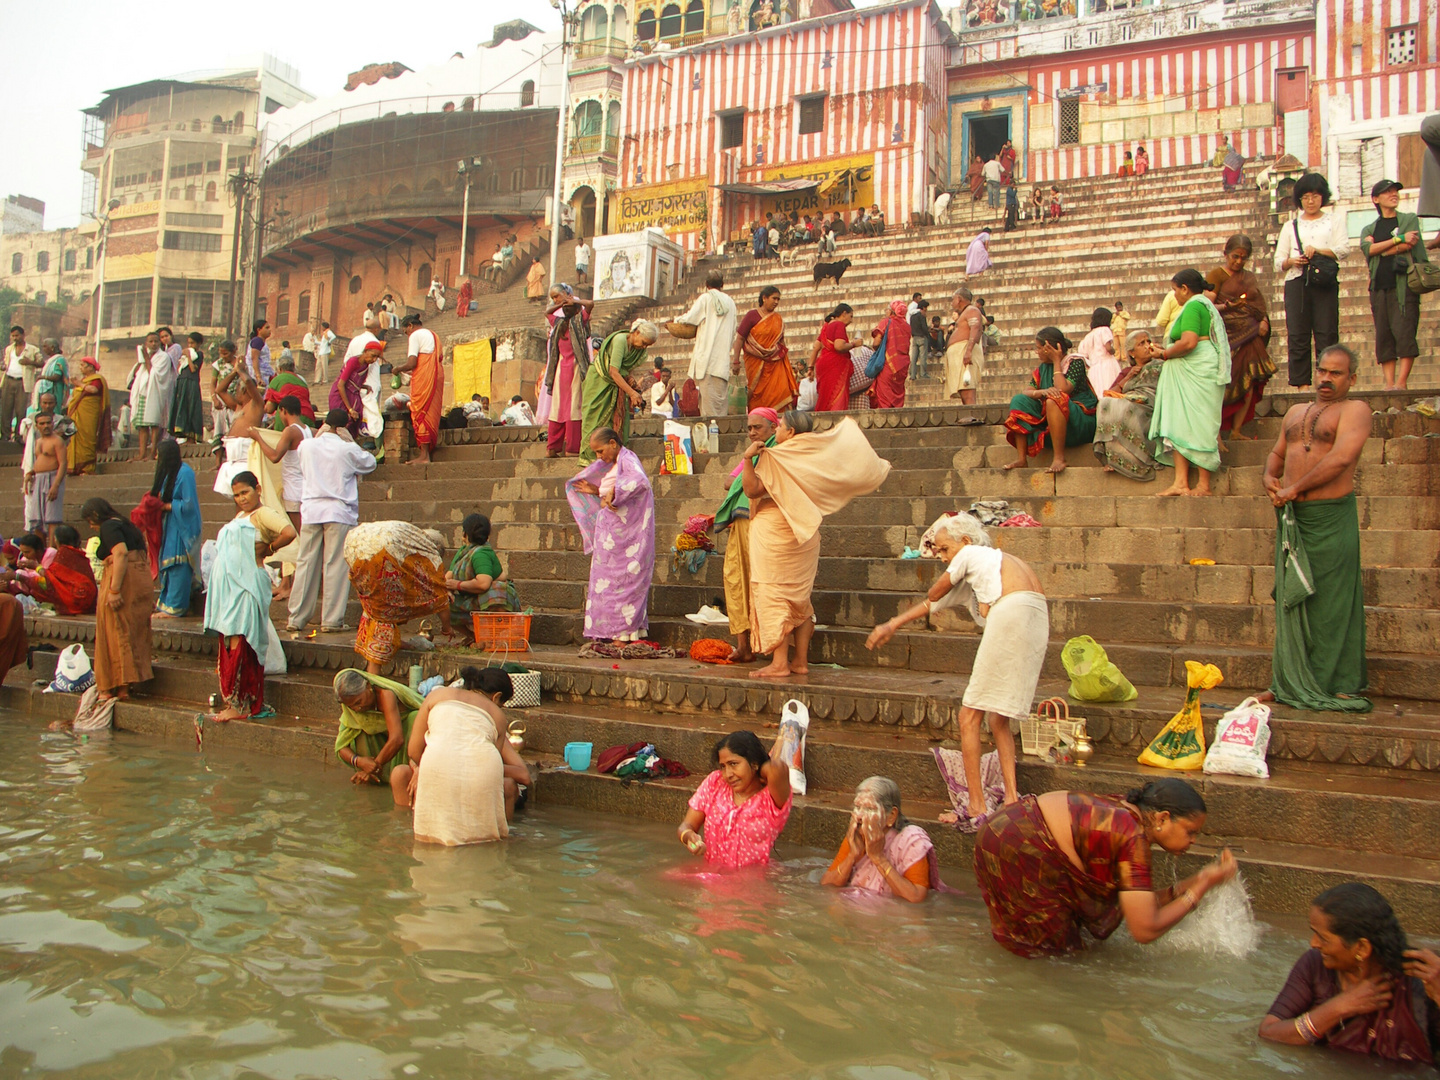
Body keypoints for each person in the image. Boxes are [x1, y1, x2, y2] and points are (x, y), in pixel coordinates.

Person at [867, 511, 1046, 821]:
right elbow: (932, 606)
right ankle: (1013, 798)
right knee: (998, 719)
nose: (941, 557)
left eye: (944, 549)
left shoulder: (973, 553)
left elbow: (934, 592)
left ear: (964, 541)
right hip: (1037, 617)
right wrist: (892, 624)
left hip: (1012, 613)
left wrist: (947, 571)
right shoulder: (998, 564)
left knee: (968, 716)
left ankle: (976, 804)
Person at [974, 778, 1237, 958]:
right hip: (1021, 844)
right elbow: (1144, 929)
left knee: (1046, 944)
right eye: (1190, 832)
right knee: (1055, 960)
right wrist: (1200, 889)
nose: (1192, 841)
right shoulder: (1133, 837)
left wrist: (1191, 884)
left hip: (1003, 830)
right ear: (1162, 818)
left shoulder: (1126, 816)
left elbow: (1135, 904)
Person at [1260, 344, 1373, 713]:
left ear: (1351, 378)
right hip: (1295, 521)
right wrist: (1269, 477)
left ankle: (1338, 682)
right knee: (1294, 601)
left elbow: (1342, 458)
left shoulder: (1356, 410)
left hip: (1331, 518)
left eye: (1336, 373)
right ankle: (1288, 681)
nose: (1326, 378)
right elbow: (1278, 454)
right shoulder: (1295, 411)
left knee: (1332, 602)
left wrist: (1295, 488)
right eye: (1322, 370)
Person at [741, 412, 890, 678]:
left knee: (775, 593)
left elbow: (752, 490)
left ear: (791, 433)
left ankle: (779, 663)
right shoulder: (816, 455)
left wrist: (747, 458)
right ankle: (800, 661)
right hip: (805, 535)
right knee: (800, 599)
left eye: (781, 428)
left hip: (776, 532)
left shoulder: (779, 456)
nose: (776, 432)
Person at [1260, 882, 1440, 1062]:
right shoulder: (1314, 966)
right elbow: (1268, 1032)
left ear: (1361, 948)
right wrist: (1340, 1007)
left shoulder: (1424, 978)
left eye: (1323, 937)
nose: (1314, 943)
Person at [204, 471, 294, 721]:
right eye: (236, 495)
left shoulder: (263, 514)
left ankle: (242, 705)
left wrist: (270, 548)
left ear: (258, 489)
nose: (241, 499)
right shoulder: (240, 516)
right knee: (229, 640)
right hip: (230, 587)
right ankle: (233, 701)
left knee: (241, 642)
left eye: (245, 492)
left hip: (248, 585)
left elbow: (289, 532)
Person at [406, 667, 532, 843]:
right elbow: (492, 759)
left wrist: (427, 769)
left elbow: (413, 751)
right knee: (483, 841)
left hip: (435, 764)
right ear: (496, 697)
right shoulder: (497, 714)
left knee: (432, 839)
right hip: (482, 770)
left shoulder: (437, 695)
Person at [287, 409, 378, 634]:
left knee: (306, 563)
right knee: (335, 565)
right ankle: (331, 620)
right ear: (343, 428)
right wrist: (350, 442)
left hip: (311, 511)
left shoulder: (306, 446)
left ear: (325, 425)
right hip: (338, 511)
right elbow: (370, 463)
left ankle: (297, 617)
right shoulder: (346, 449)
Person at [566, 427, 655, 642]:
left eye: (600, 451)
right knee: (609, 585)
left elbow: (640, 482)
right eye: (596, 453)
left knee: (624, 584)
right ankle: (616, 632)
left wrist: (614, 492)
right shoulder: (615, 465)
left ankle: (623, 635)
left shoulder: (628, 459)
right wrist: (598, 491)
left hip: (626, 538)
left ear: (613, 443)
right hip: (611, 537)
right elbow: (611, 492)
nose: (599, 456)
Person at [1150, 268, 1230, 498]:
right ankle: (1180, 482)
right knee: (1181, 424)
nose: (1174, 295)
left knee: (1200, 423)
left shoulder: (1194, 305)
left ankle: (1203, 485)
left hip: (1197, 370)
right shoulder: (1201, 305)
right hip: (1190, 371)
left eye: (1175, 290)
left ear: (1184, 289)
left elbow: (1188, 343)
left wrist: (1163, 354)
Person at [714, 408, 779, 663]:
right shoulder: (751, 453)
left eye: (758, 428)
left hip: (764, 524)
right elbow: (729, 483)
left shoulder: (777, 451)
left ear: (774, 428)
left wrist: (748, 476)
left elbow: (754, 486)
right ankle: (743, 646)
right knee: (735, 580)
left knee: (764, 584)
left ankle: (773, 646)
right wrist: (748, 470)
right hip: (741, 524)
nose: (752, 432)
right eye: (749, 427)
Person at [344, 521, 455, 671]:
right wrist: (447, 628)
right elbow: (441, 600)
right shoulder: (429, 553)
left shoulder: (411, 540)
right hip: (382, 550)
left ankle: (375, 667)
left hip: (354, 542)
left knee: (375, 606)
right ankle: (374, 678)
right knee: (383, 611)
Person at [1274, 172, 1349, 391]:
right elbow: (1278, 262)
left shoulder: (1333, 220)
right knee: (1298, 334)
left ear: (1322, 197)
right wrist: (1293, 260)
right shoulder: (1291, 226)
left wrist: (1318, 251)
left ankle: (1328, 381)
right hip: (1297, 281)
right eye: (1306, 196)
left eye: (1315, 196)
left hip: (1323, 281)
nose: (1311, 201)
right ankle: (1302, 386)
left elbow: (1343, 249)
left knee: (1327, 333)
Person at [677, 730, 792, 869]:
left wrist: (759, 769)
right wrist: (689, 837)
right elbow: (686, 826)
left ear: (754, 763)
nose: (728, 774)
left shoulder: (771, 798)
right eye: (723, 766)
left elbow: (778, 768)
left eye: (734, 764)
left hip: (751, 883)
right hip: (711, 876)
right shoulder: (715, 782)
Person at [821, 777, 942, 901]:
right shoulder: (857, 834)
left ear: (891, 816)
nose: (860, 816)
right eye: (857, 807)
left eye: (869, 809)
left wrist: (879, 859)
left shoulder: (912, 841)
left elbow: (916, 897)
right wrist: (852, 856)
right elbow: (827, 885)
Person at [82, 498, 154, 702]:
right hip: (140, 577)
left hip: (123, 580)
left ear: (95, 515)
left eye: (90, 521)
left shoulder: (108, 525)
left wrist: (114, 590)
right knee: (133, 631)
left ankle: (111, 687)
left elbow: (120, 553)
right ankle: (124, 687)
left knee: (114, 631)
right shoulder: (127, 525)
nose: (91, 526)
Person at [1360, 179, 1428, 391]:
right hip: (1379, 286)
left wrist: (1380, 248)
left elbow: (1411, 243)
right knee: (1384, 334)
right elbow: (1368, 251)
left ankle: (1401, 382)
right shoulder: (1370, 227)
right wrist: (1398, 241)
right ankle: (1389, 384)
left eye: (1395, 191)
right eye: (1387, 192)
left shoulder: (1408, 219)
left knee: (1405, 331)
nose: (1393, 194)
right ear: (1375, 199)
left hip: (1403, 284)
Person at [1205, 234, 1275, 440]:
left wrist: (1264, 321)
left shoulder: (1249, 277)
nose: (1238, 262)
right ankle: (1215, 434)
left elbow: (1259, 305)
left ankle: (1236, 430)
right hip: (1227, 337)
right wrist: (1228, 306)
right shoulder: (1216, 275)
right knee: (1227, 382)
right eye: (1235, 256)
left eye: (1243, 258)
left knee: (1250, 380)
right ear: (1225, 253)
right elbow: (1208, 306)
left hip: (1251, 337)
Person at [1004, 326, 1098, 474]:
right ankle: (1022, 459)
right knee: (1019, 400)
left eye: (1039, 348)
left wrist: (1056, 361)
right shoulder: (1042, 368)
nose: (1037, 352)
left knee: (1054, 399)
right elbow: (1027, 391)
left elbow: (1062, 390)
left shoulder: (1075, 362)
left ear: (1050, 348)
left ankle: (1059, 458)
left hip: (1080, 421)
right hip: (1052, 421)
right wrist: (1042, 392)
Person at [333, 667, 423, 803]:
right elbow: (341, 747)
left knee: (415, 719)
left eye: (359, 702)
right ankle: (377, 779)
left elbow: (397, 739)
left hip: (404, 741)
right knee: (360, 729)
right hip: (382, 749)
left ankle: (402, 779)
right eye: (352, 707)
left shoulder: (386, 694)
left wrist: (372, 767)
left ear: (368, 686)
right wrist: (359, 761)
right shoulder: (353, 709)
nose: (358, 709)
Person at [578, 320, 656, 462]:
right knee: (595, 417)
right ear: (636, 333)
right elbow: (613, 371)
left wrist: (632, 386)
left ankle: (612, 456)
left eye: (647, 345)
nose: (644, 347)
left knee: (616, 418)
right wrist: (631, 393)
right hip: (599, 380)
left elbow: (625, 371)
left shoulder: (639, 351)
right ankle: (590, 457)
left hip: (617, 385)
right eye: (644, 342)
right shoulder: (620, 340)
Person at [1093, 330, 1167, 479]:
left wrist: (1164, 353)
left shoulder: (1161, 364)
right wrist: (1128, 377)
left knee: (1127, 408)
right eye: (1142, 343)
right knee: (1105, 404)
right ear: (1132, 353)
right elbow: (1110, 393)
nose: (1147, 345)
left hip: (1150, 401)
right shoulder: (1128, 372)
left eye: (1148, 341)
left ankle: (1137, 460)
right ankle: (1112, 458)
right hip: (1129, 399)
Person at [673, 272, 738, 417]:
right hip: (722, 362)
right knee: (719, 403)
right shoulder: (731, 303)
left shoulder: (705, 298)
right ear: (722, 285)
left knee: (709, 409)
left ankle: (713, 435)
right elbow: (734, 329)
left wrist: (676, 319)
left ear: (706, 285)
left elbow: (690, 318)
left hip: (707, 361)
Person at [446, 512, 519, 638]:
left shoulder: (481, 554)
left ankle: (496, 635)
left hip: (490, 601)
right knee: (440, 601)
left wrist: (457, 585)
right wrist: (447, 589)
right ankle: (473, 637)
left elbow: (483, 584)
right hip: (470, 599)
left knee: (497, 589)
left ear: (465, 534)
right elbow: (447, 577)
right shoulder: (463, 552)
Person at [150, 441, 201, 618]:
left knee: (178, 562)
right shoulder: (168, 472)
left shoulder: (185, 473)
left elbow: (188, 505)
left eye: (159, 454)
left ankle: (176, 607)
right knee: (167, 562)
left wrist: (166, 506)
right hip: (170, 524)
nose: (156, 458)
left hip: (182, 526)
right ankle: (168, 603)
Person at [543, 284, 594, 458]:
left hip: (562, 371)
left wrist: (564, 303)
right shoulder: (578, 321)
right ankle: (571, 448)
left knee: (558, 408)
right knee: (574, 408)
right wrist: (571, 301)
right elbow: (590, 304)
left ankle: (553, 448)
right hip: (573, 370)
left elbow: (548, 312)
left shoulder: (559, 323)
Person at [390, 314, 443, 465]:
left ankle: (424, 455)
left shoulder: (415, 336)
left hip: (425, 378)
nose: (406, 334)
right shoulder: (434, 335)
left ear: (410, 326)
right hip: (436, 375)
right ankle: (425, 454)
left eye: (405, 331)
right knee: (430, 410)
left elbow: (412, 362)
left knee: (420, 411)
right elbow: (428, 361)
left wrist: (398, 369)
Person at [734, 286, 795, 412]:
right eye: (774, 298)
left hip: (776, 363)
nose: (776, 302)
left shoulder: (777, 318)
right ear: (764, 298)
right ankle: (758, 420)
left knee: (780, 391)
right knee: (757, 394)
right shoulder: (752, 316)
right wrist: (735, 361)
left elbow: (781, 342)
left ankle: (777, 422)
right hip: (755, 363)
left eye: (778, 299)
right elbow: (740, 338)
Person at [814, 305, 875, 413]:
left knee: (825, 397)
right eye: (851, 316)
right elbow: (839, 346)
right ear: (843, 314)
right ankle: (836, 423)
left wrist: (810, 367)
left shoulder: (826, 326)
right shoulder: (839, 325)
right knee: (837, 398)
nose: (851, 321)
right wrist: (854, 344)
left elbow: (816, 347)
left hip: (822, 364)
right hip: (835, 365)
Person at [23, 413, 66, 544]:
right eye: (42, 423)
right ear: (37, 426)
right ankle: (40, 550)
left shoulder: (57, 441)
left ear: (53, 423)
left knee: (52, 518)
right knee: (37, 518)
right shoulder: (38, 442)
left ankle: (52, 549)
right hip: (38, 480)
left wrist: (56, 485)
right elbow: (40, 461)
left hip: (52, 478)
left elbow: (63, 464)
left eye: (48, 423)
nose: (46, 426)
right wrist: (31, 473)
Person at [329, 339, 385, 438]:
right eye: (373, 356)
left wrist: (364, 386)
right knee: (342, 423)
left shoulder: (366, 365)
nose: (374, 360)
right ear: (366, 351)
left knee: (355, 421)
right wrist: (350, 409)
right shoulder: (353, 361)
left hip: (353, 394)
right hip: (340, 395)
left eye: (377, 357)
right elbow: (341, 384)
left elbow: (354, 381)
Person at [65, 356, 109, 476]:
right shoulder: (84, 380)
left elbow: (94, 390)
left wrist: (79, 383)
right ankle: (74, 467)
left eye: (83, 365)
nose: (80, 368)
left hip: (89, 415)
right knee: (74, 437)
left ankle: (87, 468)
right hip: (77, 414)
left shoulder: (97, 379)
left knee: (87, 439)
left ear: (91, 367)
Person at [869, 300, 912, 410]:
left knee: (884, 397)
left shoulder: (887, 322)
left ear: (892, 311)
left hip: (888, 364)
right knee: (897, 393)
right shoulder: (907, 326)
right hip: (902, 365)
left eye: (887, 309)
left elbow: (876, 342)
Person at [2, 326, 41, 443]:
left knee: (20, 410)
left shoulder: (32, 349)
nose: (15, 338)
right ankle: (5, 436)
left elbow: (41, 363)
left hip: (22, 382)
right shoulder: (9, 349)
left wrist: (29, 362)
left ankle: (19, 436)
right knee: (6, 409)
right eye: (13, 336)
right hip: (8, 380)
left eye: (17, 335)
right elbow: (6, 362)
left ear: (23, 335)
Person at [948, 286, 983, 405]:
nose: (952, 303)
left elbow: (976, 328)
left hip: (965, 351)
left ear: (958, 299)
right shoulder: (966, 312)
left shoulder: (971, 310)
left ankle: (971, 415)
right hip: (960, 353)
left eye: (953, 300)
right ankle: (968, 415)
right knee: (963, 389)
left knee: (967, 388)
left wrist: (968, 351)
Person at [167, 332, 205, 440]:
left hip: (191, 383)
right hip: (182, 382)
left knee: (191, 407)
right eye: (189, 343)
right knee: (181, 406)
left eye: (192, 343)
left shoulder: (199, 354)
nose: (190, 346)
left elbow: (193, 369)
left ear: (199, 343)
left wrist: (188, 356)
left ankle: (192, 437)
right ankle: (184, 434)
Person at [263, 354, 316, 428]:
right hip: (308, 417)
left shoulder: (277, 380)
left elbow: (269, 409)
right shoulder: (302, 381)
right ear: (293, 368)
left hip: (288, 419)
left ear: (279, 369)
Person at [1076, 307, 1121, 395]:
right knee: (1111, 390)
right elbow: (1108, 347)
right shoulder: (1104, 330)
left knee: (1097, 392)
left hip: (1094, 368)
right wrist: (1113, 351)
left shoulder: (1088, 336)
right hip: (1107, 365)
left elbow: (1083, 355)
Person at [32, 338, 67, 411]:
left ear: (52, 347)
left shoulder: (59, 359)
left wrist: (43, 377)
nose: (43, 349)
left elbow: (57, 376)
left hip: (55, 390)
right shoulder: (50, 360)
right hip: (47, 391)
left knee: (53, 411)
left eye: (45, 346)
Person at [908, 298, 931, 380]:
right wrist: (928, 332)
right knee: (922, 357)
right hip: (921, 337)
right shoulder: (921, 316)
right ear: (924, 308)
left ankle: (913, 375)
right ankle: (923, 373)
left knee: (913, 358)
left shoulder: (912, 316)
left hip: (914, 338)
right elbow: (924, 327)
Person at [247, 318, 275, 386]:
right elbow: (254, 358)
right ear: (259, 330)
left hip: (264, 375)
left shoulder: (261, 342)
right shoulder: (257, 341)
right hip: (258, 376)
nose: (269, 330)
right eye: (266, 328)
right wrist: (258, 377)